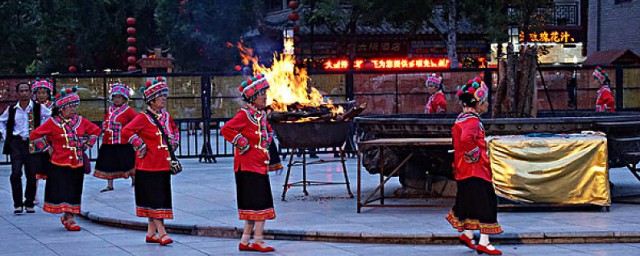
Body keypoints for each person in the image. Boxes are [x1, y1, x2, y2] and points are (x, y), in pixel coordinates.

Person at [29, 87, 101, 231]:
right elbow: (34, 135)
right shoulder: (52, 122)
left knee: (75, 189)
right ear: (61, 109)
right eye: (70, 107)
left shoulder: (80, 121)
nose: (73, 109)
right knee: (62, 190)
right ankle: (67, 215)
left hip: (77, 162)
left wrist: (87, 145)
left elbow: (96, 131)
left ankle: (70, 216)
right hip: (59, 162)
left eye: (74, 106)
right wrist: (47, 148)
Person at [446, 77, 503, 255]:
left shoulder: (461, 118)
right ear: (477, 103)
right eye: (485, 102)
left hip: (463, 168)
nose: (486, 105)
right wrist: (475, 154)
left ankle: (469, 235)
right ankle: (484, 242)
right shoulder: (472, 121)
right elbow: (466, 140)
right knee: (487, 204)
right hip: (475, 169)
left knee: (468, 202)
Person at [221, 74, 276, 252]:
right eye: (262, 95)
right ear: (253, 97)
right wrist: (241, 142)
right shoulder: (244, 114)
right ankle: (258, 240)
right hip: (248, 166)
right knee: (260, 204)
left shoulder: (261, 115)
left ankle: (245, 240)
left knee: (253, 205)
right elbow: (226, 128)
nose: (265, 98)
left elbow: (266, 133)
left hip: (259, 164)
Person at [122, 77, 178, 245]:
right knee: (154, 200)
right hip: (148, 165)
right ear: (151, 100)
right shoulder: (142, 117)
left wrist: (174, 142)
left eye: (164, 96)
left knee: (159, 198)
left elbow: (174, 130)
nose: (163, 99)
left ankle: (151, 232)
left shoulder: (166, 116)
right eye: (160, 96)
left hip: (163, 164)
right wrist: (139, 144)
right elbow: (126, 131)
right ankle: (162, 232)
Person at [0, 82, 52, 214]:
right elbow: (2, 121)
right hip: (17, 143)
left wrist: (41, 132)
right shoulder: (12, 109)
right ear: (17, 93)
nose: (24, 93)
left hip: (32, 142)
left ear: (30, 93)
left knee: (31, 174)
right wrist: (7, 136)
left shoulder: (38, 107)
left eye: (26, 91)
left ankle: (29, 202)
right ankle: (17, 204)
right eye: (21, 91)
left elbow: (50, 117)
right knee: (15, 173)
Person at [94, 83, 137, 192]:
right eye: (115, 97)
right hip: (108, 141)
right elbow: (106, 120)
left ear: (124, 98)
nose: (117, 100)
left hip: (123, 142)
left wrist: (126, 129)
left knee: (128, 161)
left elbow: (136, 123)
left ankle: (134, 181)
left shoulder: (128, 110)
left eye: (119, 97)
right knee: (109, 162)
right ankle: (110, 185)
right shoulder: (110, 109)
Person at [31, 78, 55, 205]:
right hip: (37, 140)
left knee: (53, 168)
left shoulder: (54, 106)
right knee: (35, 169)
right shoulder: (32, 106)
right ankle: (34, 195)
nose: (41, 95)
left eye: (44, 93)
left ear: (48, 94)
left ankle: (51, 195)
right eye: (39, 93)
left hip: (51, 141)